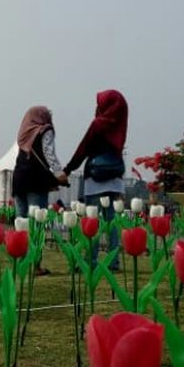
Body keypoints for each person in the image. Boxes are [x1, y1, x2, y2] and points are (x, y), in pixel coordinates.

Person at [64, 89, 129, 269]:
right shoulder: (119, 125)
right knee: (112, 223)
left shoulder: (98, 124)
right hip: (114, 179)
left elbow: (83, 149)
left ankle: (90, 261)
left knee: (92, 221)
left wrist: (68, 169)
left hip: (96, 179)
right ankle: (114, 261)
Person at [11, 106, 70, 219]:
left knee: (20, 220)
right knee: (37, 220)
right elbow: (49, 153)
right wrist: (59, 173)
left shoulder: (23, 134)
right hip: (36, 180)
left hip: (18, 180)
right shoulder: (45, 130)